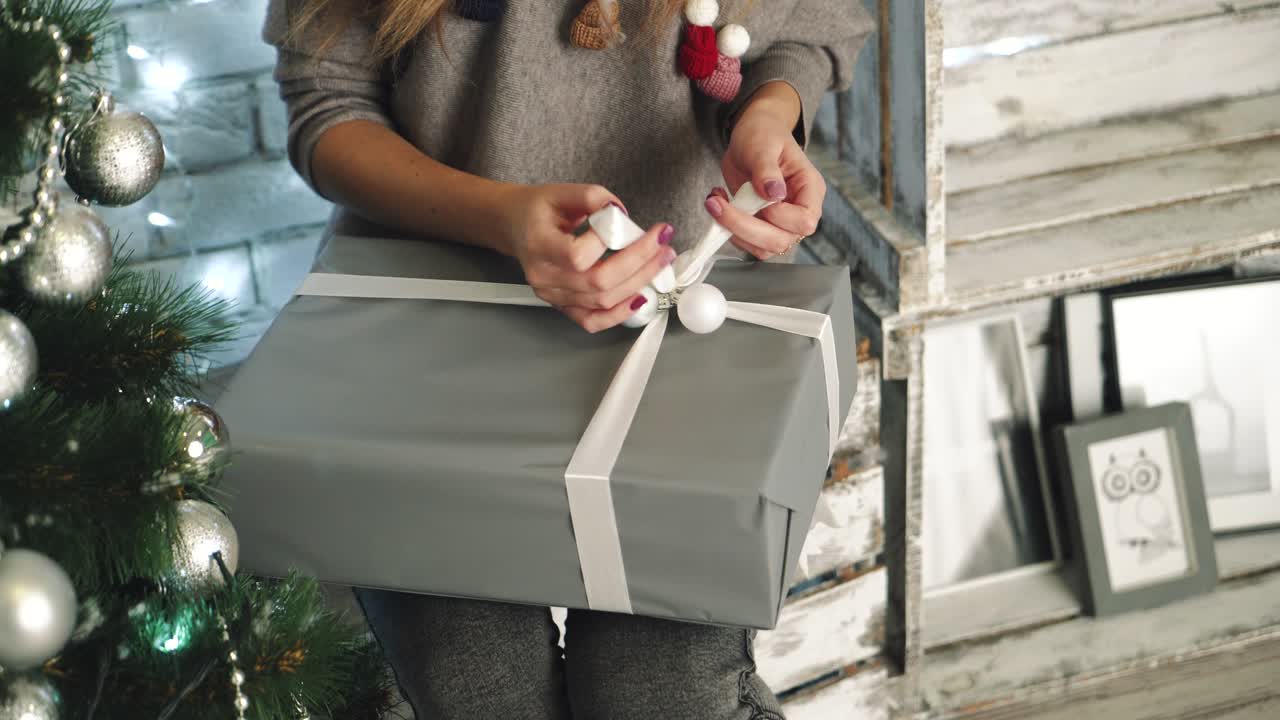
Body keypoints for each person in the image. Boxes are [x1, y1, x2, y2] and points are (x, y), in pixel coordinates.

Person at [262, 0, 872, 717]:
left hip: (679, 347)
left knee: (663, 699)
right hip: (433, 344)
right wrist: (500, 216)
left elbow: (804, 28)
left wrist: (768, 116)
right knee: (477, 693)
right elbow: (329, 103)